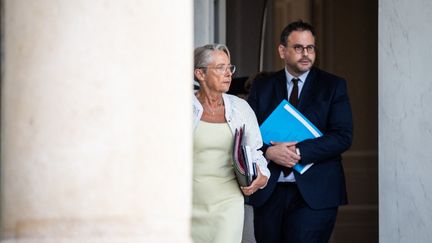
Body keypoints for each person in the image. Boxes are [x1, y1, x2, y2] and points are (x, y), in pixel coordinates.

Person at [247, 20, 353, 243]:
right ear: (282, 51)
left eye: (310, 48)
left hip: (316, 194)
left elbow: (343, 136)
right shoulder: (262, 87)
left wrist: (298, 151)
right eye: (298, 48)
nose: (306, 54)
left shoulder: (333, 85)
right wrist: (268, 152)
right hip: (269, 192)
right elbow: (247, 135)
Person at [192, 43, 270, 243]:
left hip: (228, 203)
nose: (228, 74)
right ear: (200, 74)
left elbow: (255, 152)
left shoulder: (240, 108)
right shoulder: (180, 107)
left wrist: (260, 177)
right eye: (220, 68)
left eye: (229, 68)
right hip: (187, 203)